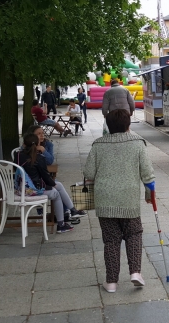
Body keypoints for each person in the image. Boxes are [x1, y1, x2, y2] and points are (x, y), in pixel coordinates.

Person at [84, 109, 155, 293]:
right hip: (129, 199)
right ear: (128, 124)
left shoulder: (98, 145)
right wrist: (149, 195)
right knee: (134, 233)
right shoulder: (138, 144)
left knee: (111, 240)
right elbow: (148, 174)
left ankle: (111, 282)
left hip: (104, 200)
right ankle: (135, 272)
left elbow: (89, 174)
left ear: (108, 125)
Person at [16, 134, 87, 233]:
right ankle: (62, 224)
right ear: (38, 144)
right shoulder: (39, 157)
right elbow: (45, 177)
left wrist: (53, 184)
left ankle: (73, 210)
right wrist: (52, 184)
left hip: (21, 189)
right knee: (56, 193)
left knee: (59, 185)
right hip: (33, 191)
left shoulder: (18, 155)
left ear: (24, 144)